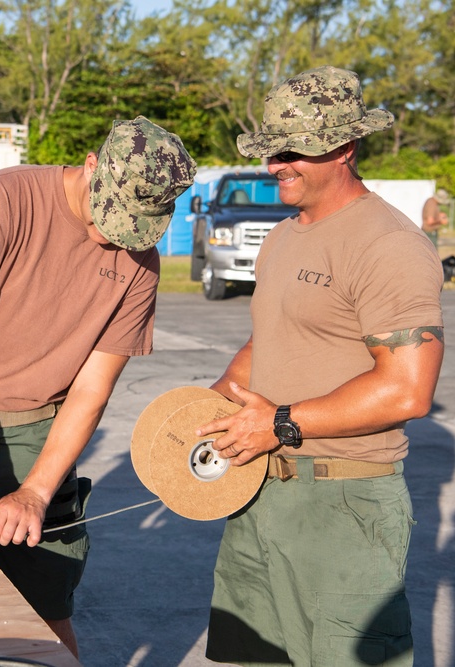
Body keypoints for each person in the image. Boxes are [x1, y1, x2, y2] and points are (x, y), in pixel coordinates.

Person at [0, 116, 196, 657]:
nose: (119, 235)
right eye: (113, 212)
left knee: (45, 608)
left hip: (41, 429)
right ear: (91, 164)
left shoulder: (141, 265)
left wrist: (36, 491)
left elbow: (92, 389)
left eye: (137, 224)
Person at [195, 66, 444, 666]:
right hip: (258, 492)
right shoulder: (283, 237)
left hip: (344, 504)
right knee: (254, 659)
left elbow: (407, 389)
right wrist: (203, 412)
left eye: (295, 151)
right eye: (273, 150)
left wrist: (278, 422)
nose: (277, 164)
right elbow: (266, 344)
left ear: (346, 148)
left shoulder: (388, 243)